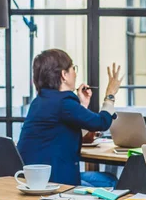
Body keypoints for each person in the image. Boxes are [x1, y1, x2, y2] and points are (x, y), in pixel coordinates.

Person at [17, 49, 122, 187]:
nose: (75, 73)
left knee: (108, 179)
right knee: (112, 185)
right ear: (64, 75)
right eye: (73, 68)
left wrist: (82, 104)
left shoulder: (41, 101)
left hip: (35, 178)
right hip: (55, 183)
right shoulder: (64, 103)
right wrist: (110, 95)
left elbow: (69, 125)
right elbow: (101, 122)